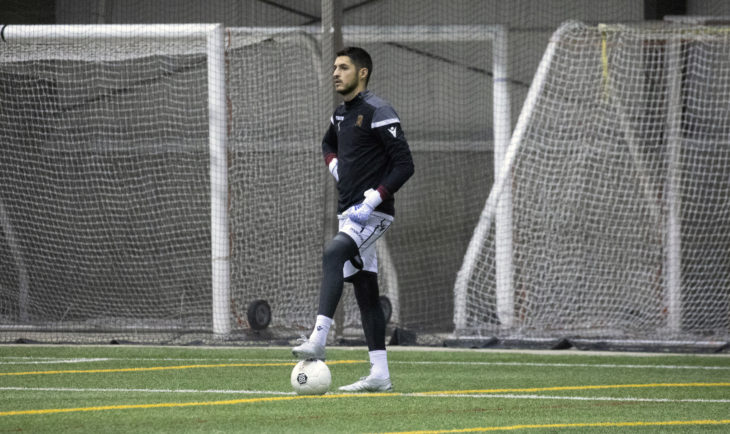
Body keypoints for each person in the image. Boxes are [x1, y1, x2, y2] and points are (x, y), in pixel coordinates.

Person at [292, 46, 414, 392]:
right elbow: (327, 142)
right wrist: (336, 168)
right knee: (366, 292)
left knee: (333, 253)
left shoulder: (379, 110)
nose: (335, 72)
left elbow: (405, 165)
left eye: (343, 67)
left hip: (374, 214)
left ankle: (318, 339)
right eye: (333, 67)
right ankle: (380, 375)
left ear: (362, 73)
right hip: (349, 214)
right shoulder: (340, 115)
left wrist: (373, 198)